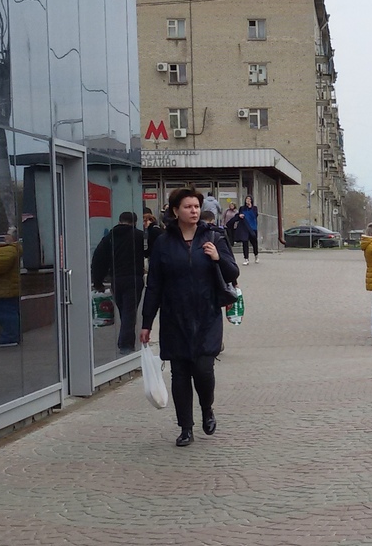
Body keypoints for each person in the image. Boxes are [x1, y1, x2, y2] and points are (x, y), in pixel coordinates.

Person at [141, 188, 239, 447]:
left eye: (196, 206)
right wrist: (146, 323)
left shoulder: (214, 236)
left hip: (207, 315)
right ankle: (185, 427)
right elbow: (154, 285)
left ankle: (207, 408)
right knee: (180, 373)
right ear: (175, 211)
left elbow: (232, 272)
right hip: (175, 317)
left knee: (204, 369)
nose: (194, 211)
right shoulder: (163, 242)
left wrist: (217, 258)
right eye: (188, 207)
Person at [92, 212, 145, 355]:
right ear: (135, 222)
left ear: (119, 220)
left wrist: (98, 281)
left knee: (124, 311)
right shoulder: (139, 236)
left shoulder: (109, 238)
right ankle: (126, 345)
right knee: (129, 312)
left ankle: (125, 340)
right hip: (134, 279)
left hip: (117, 280)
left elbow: (98, 260)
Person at [238, 196, 260, 264]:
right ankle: (246, 258)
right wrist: (239, 215)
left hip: (253, 228)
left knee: (254, 243)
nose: (248, 200)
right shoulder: (242, 208)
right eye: (247, 199)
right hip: (245, 228)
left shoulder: (254, 208)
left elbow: (255, 216)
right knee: (245, 242)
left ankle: (256, 255)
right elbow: (239, 215)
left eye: (249, 199)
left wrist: (250, 207)